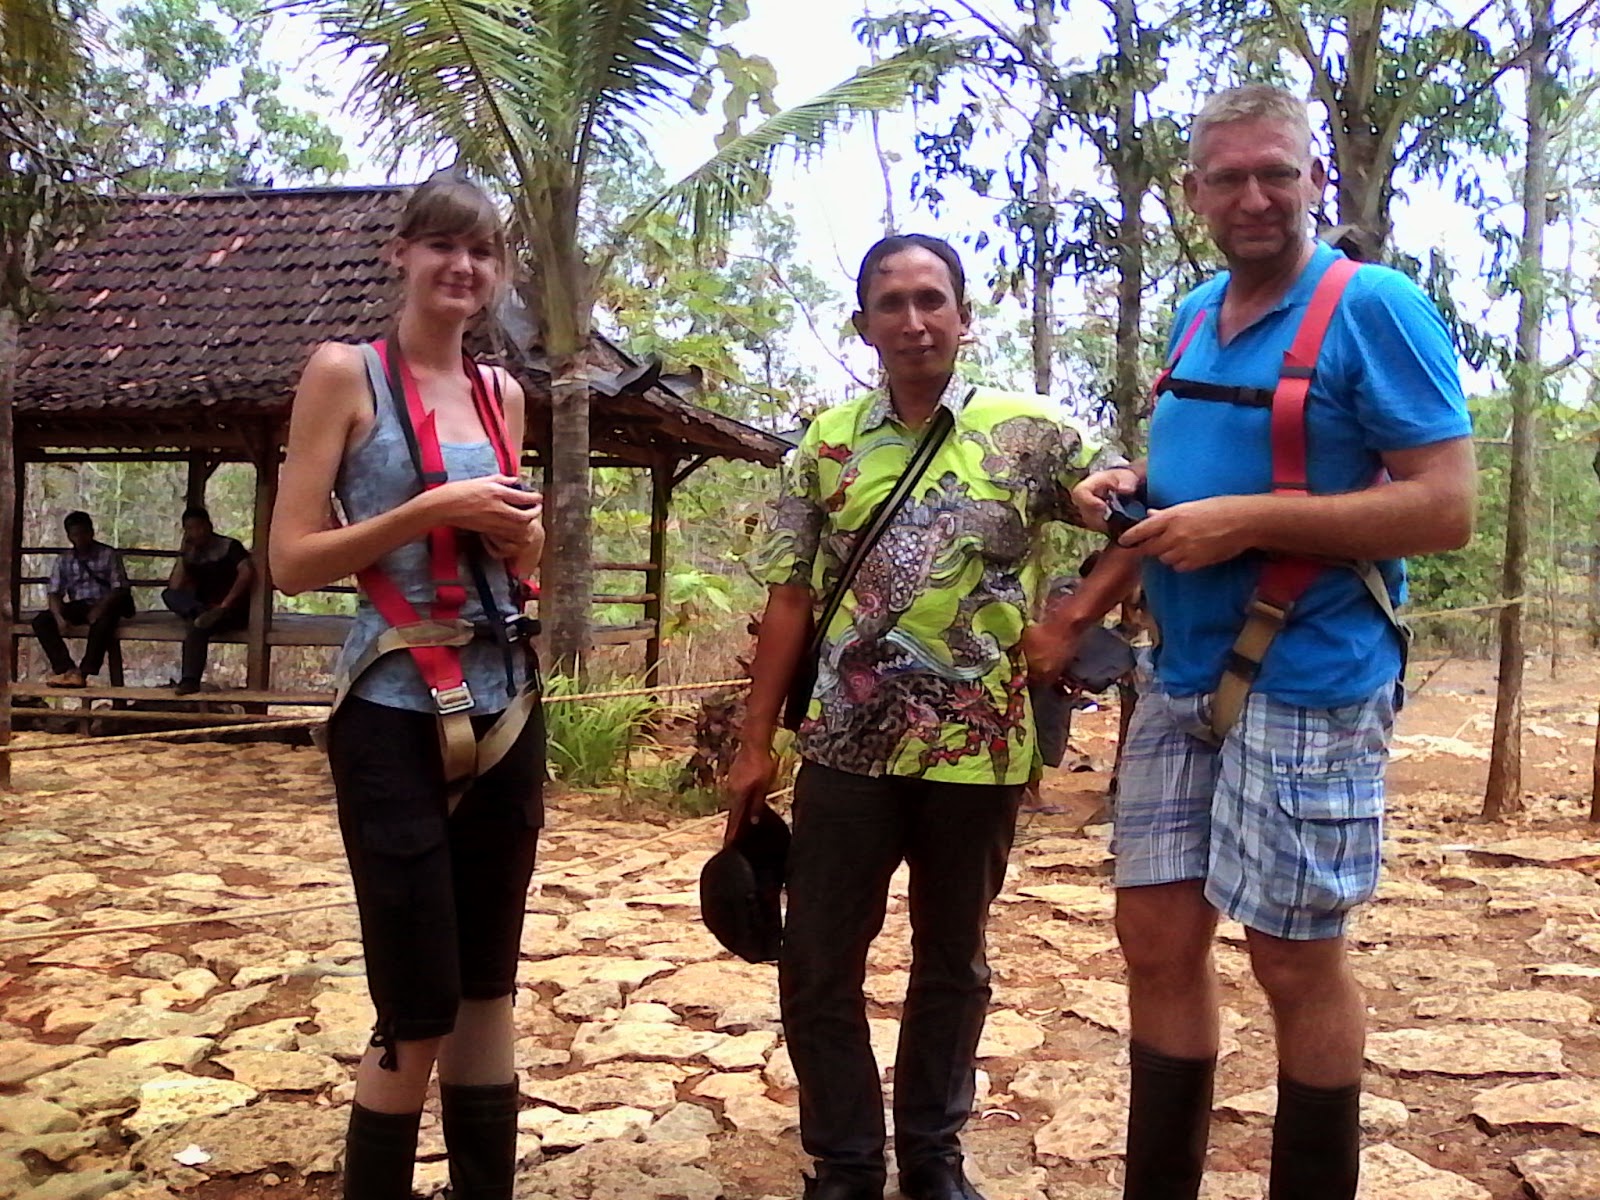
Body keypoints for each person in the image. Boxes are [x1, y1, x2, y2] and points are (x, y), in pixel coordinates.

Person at [1054, 84, 1475, 1200]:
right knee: (1153, 938)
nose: (1255, 197)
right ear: (1191, 193)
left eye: (1276, 173)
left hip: (1312, 674)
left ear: (1312, 181)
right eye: (1229, 176)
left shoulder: (1370, 306)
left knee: (1292, 954)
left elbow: (1443, 507)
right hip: (1179, 674)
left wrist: (1248, 523)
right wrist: (1136, 492)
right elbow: (1212, 472)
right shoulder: (1197, 315)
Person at [727, 233, 1131, 1200]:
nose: (914, 320)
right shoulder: (824, 447)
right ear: (862, 323)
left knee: (955, 964)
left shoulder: (1030, 434)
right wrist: (753, 746)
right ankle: (846, 1161)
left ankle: (935, 1158)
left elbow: (1137, 521)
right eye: (892, 302)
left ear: (963, 315)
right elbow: (788, 598)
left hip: (980, 751)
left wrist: (1072, 622)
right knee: (820, 959)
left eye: (932, 299)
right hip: (844, 747)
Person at [270, 176, 546, 1200]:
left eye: (480, 252)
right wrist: (431, 505)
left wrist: (523, 532)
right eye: (441, 245)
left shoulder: (500, 394)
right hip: (391, 706)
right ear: (402, 255)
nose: (461, 268)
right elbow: (293, 558)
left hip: (507, 700)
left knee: (488, 990)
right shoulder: (346, 374)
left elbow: (525, 562)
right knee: (417, 1003)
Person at [161, 506, 254, 694]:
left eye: (198, 527)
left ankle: (189, 681)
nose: (196, 533)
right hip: (203, 608)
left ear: (209, 526)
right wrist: (183, 554)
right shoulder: (192, 553)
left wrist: (225, 605)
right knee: (169, 595)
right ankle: (199, 614)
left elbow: (246, 572)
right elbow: (175, 586)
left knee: (197, 628)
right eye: (190, 529)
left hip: (229, 609)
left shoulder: (229, 546)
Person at [31, 510, 130, 688]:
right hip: (80, 604)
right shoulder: (65, 560)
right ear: (69, 536)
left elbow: (119, 588)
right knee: (42, 621)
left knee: (104, 623)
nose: (81, 538)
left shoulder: (108, 555)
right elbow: (54, 592)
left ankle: (85, 671)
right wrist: (59, 617)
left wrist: (99, 609)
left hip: (107, 604)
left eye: (84, 533)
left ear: (91, 532)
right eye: (76, 534)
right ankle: (66, 669)